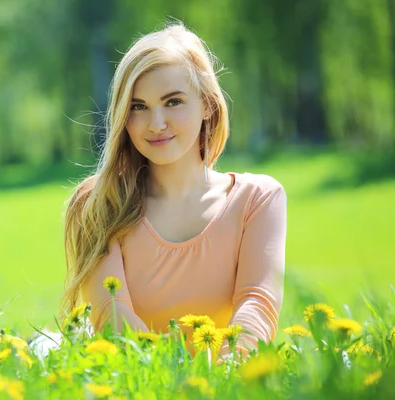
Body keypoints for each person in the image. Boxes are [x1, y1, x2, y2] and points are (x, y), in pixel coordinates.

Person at [61, 22, 287, 358]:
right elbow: (112, 317)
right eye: (138, 106)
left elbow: (258, 303)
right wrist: (176, 385)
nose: (155, 124)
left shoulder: (258, 200)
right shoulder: (98, 204)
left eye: (173, 102)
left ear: (207, 104)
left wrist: (221, 381)